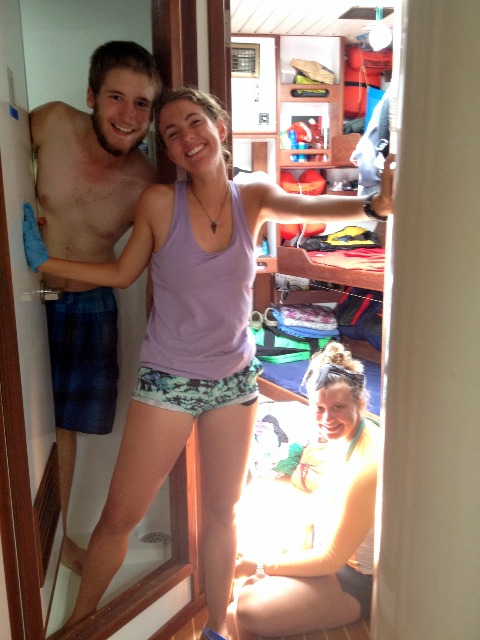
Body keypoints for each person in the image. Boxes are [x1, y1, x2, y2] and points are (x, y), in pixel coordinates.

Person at [23, 87, 393, 637]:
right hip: (168, 381)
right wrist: (46, 263)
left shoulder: (254, 195)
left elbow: (315, 208)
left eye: (194, 122)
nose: (186, 138)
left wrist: (374, 206)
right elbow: (123, 273)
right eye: (171, 133)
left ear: (219, 127)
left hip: (234, 383)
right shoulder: (158, 202)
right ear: (168, 150)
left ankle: (217, 628)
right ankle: (81, 624)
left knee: (224, 514)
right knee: (119, 518)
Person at [29, 40, 162, 574]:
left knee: (62, 432)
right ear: (91, 96)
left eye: (141, 103)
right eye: (116, 97)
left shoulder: (147, 182)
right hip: (23, 297)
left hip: (87, 309)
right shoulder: (51, 123)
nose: (128, 115)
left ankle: (56, 540)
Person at [227, 341, 381, 639]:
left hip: (357, 577)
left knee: (248, 609)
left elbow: (333, 559)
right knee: (239, 597)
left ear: (360, 403)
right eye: (319, 408)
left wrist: (261, 565)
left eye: (338, 408)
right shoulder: (344, 436)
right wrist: (278, 549)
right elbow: (319, 503)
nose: (326, 420)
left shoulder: (369, 463)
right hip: (324, 547)